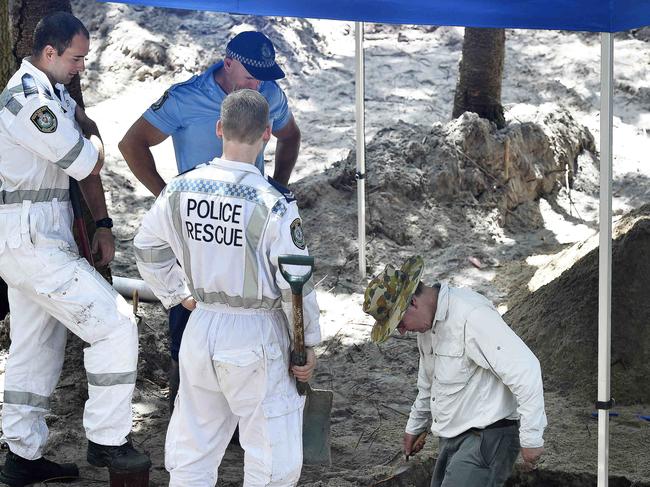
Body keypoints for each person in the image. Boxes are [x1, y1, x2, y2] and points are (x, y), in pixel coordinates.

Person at [133, 89, 320, 486]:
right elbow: (295, 283)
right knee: (272, 454)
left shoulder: (181, 190)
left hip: (200, 326)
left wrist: (176, 294)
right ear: (267, 134)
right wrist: (307, 345)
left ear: (219, 128)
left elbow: (147, 248)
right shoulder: (273, 203)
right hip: (255, 332)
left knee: (193, 448)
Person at [0, 12, 150, 485]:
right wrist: (95, 132)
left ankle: (21, 456)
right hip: (32, 238)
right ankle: (108, 440)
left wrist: (102, 222)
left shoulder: (52, 93)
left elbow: (80, 168)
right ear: (49, 52)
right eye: (76, 57)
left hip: (39, 233)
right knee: (116, 326)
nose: (81, 66)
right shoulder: (28, 101)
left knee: (34, 347)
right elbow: (86, 161)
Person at [119, 30, 301, 411]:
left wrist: (278, 186)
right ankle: (182, 400)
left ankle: (239, 409)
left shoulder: (268, 94)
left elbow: (290, 135)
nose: (258, 85)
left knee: (251, 307)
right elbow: (131, 143)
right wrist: (167, 198)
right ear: (228, 62)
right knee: (187, 317)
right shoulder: (187, 97)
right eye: (251, 76)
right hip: (198, 225)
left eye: (263, 77)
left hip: (247, 224)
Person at [363, 256, 547, 487]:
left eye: (399, 323)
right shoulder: (427, 328)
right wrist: (415, 426)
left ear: (412, 303)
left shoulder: (472, 315)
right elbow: (429, 384)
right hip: (453, 437)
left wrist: (531, 437)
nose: (401, 332)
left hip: (487, 437)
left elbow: (525, 370)